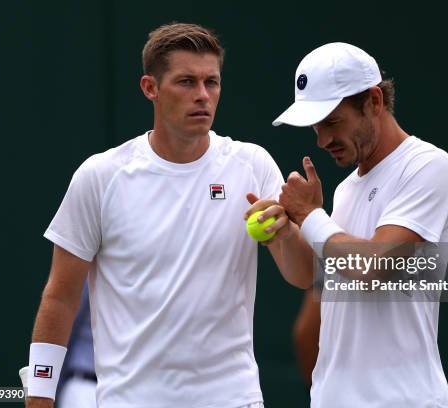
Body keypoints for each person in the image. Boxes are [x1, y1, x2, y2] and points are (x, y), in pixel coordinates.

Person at [24, 22, 307, 408]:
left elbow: (303, 275)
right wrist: (39, 395)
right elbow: (60, 296)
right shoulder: (101, 176)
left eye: (212, 82)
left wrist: (286, 235)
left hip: (231, 399)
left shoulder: (252, 165)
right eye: (187, 82)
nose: (203, 96)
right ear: (150, 88)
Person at [272, 43, 448, 407]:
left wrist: (310, 216)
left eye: (333, 122)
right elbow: (311, 276)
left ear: (374, 101)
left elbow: (375, 267)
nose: (323, 140)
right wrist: (283, 232)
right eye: (316, 127)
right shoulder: (343, 191)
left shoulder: (429, 166)